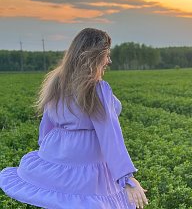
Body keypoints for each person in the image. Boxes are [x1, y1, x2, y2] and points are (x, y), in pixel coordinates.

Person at [0, 28, 148, 209]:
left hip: (57, 153)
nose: (109, 60)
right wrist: (127, 178)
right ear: (94, 56)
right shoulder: (98, 89)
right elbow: (110, 135)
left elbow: (47, 125)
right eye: (106, 55)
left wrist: (47, 155)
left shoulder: (57, 81)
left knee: (62, 201)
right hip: (86, 162)